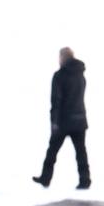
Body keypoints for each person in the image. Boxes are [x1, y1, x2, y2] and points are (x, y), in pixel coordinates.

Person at [33, 47, 91, 190]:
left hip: (63, 121)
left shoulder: (59, 76)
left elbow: (56, 101)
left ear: (62, 57)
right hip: (80, 120)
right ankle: (85, 181)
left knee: (52, 152)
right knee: (81, 153)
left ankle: (45, 179)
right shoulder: (80, 75)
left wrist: (54, 122)